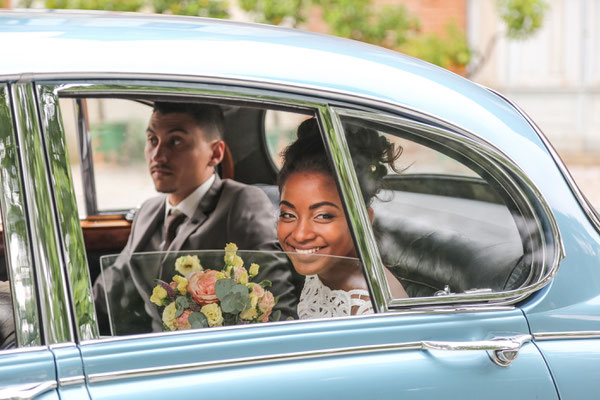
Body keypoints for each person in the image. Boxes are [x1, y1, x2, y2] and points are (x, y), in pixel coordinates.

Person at [93, 102, 297, 334]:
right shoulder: (147, 212)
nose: (158, 155)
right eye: (152, 140)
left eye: (176, 141)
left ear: (215, 153)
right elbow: (108, 291)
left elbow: (278, 308)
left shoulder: (241, 204)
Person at [277, 118, 407, 319]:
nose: (300, 234)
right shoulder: (325, 267)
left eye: (323, 216)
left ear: (363, 220)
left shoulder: (372, 309)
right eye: (288, 215)